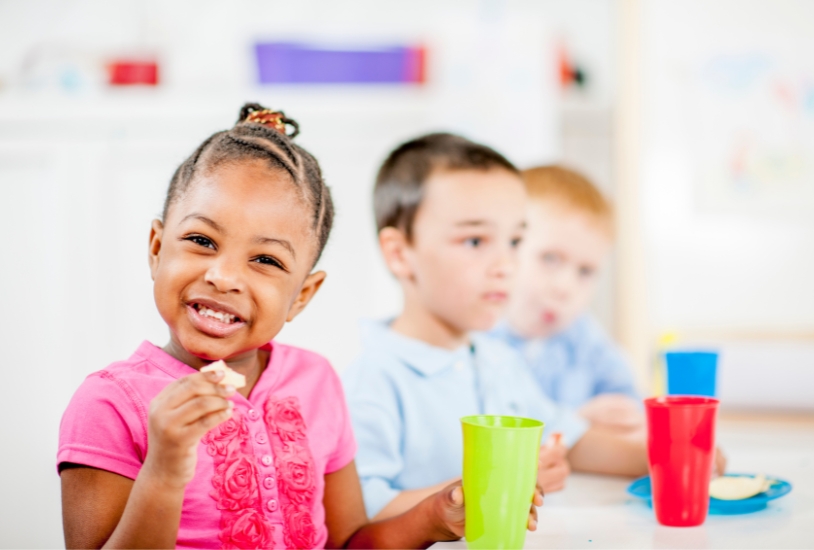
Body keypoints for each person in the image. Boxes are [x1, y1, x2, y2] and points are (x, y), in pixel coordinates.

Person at [57, 105, 542, 549]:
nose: (223, 276)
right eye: (201, 240)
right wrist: (163, 471)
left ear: (302, 296)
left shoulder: (316, 383)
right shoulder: (108, 405)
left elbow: (350, 542)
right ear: (156, 247)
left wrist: (435, 517)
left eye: (265, 259)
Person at [344, 134, 652, 522]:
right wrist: (497, 484)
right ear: (400, 254)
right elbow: (361, 512)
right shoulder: (374, 381)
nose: (506, 265)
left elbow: (569, 438)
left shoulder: (499, 362)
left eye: (515, 241)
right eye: (475, 240)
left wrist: (661, 459)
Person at [489, 165, 643, 431]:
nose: (565, 288)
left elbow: (630, 403)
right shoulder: (478, 337)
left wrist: (622, 415)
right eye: (550, 259)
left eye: (585, 271)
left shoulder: (585, 339)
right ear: (509, 248)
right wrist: (573, 423)